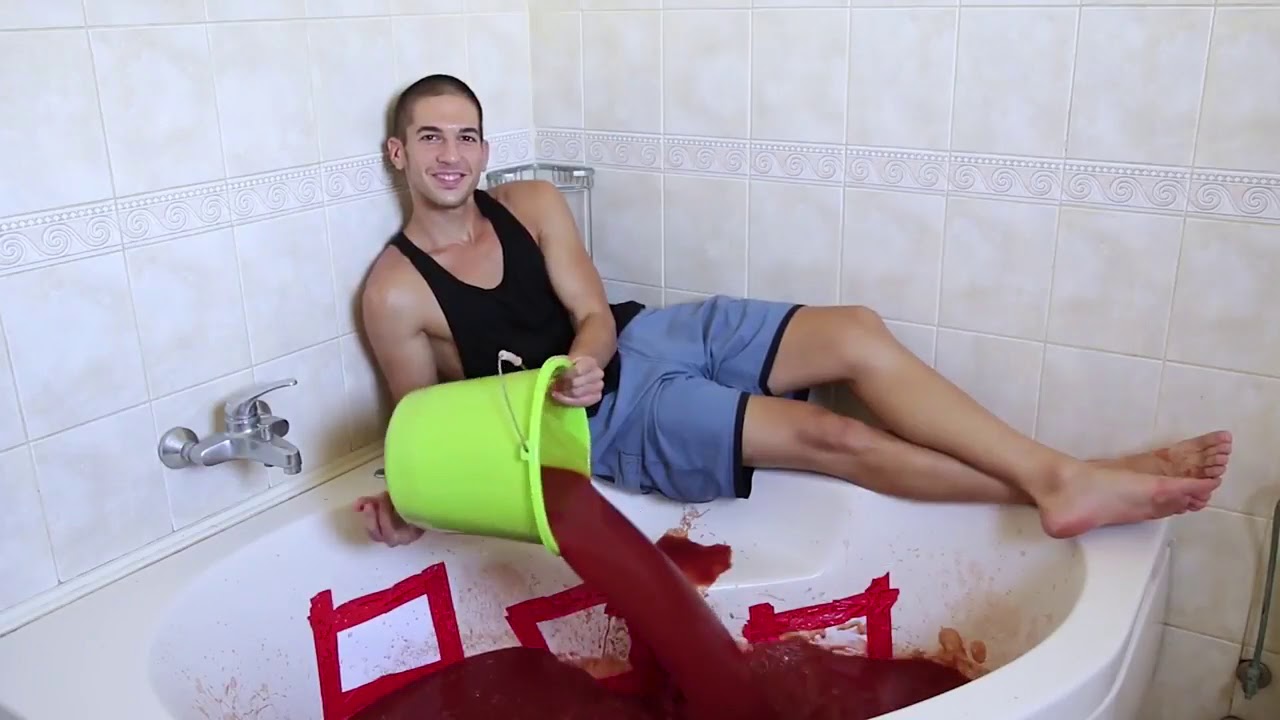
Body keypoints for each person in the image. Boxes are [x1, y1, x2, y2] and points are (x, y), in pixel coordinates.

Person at [354, 73, 1232, 548]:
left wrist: (589, 354)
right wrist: (413, 504)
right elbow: (423, 424)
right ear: (399, 152)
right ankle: (1071, 478)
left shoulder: (534, 201)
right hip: (593, 425)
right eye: (430, 136)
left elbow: (592, 312)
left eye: (466, 135)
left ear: (486, 150)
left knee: (855, 330)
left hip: (638, 339)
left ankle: (1065, 477)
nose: (451, 154)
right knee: (833, 438)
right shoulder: (395, 293)